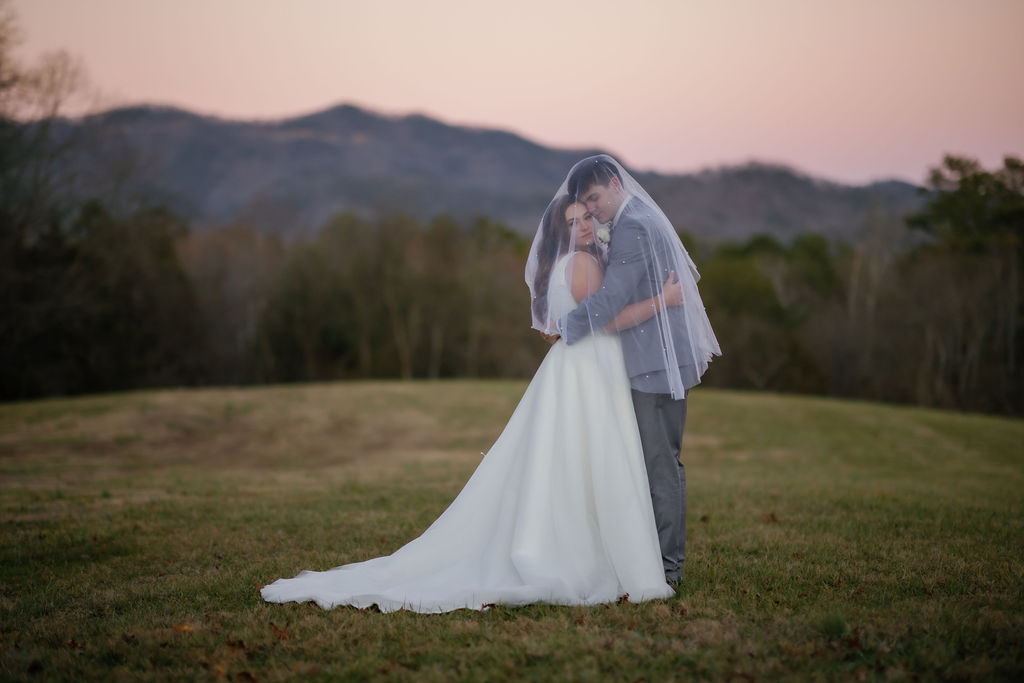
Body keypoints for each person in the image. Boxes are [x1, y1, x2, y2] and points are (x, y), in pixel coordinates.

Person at [261, 191, 684, 613]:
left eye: (587, 218)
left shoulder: (563, 265)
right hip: (591, 368)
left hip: (577, 365)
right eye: (574, 223)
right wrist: (662, 302)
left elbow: (575, 319)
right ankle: (598, 554)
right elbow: (605, 321)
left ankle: (596, 546)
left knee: (572, 462)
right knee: (592, 458)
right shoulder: (584, 263)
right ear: (563, 231)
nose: (586, 226)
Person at [549, 155, 721, 588]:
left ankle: (668, 570)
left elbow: (609, 302)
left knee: (661, 466)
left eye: (595, 199)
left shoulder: (634, 225)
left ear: (614, 183)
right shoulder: (636, 218)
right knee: (651, 465)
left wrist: (562, 327)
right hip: (651, 359)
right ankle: (649, 560)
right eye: (584, 206)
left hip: (656, 364)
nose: (593, 211)